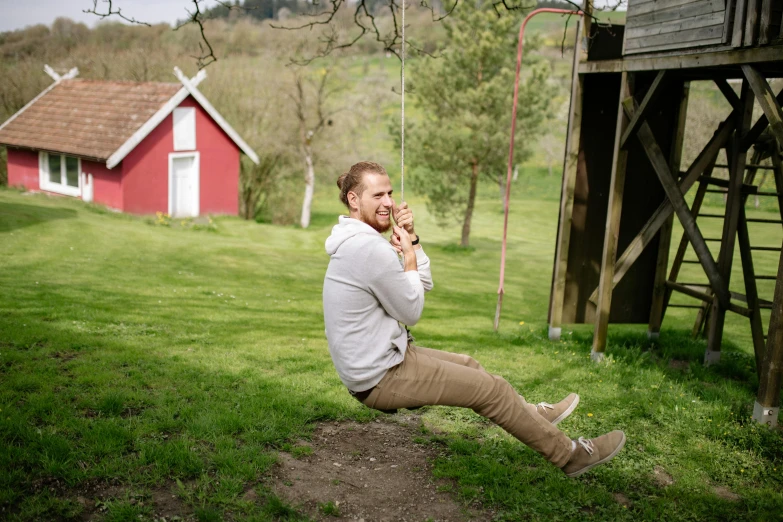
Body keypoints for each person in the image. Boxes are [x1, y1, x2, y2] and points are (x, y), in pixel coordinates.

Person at [322, 161, 625, 477]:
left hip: (382, 362)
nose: (388, 202)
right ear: (354, 200)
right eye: (377, 195)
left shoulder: (355, 241)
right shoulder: (368, 248)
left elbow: (421, 285)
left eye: (390, 193)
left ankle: (532, 416)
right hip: (378, 377)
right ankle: (570, 455)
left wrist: (412, 240)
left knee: (469, 364)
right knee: (490, 390)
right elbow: (412, 310)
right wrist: (408, 259)